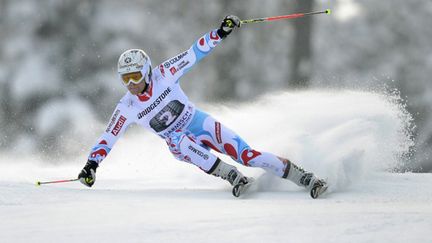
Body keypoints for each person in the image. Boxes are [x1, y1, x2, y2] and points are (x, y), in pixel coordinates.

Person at [78, 15, 327, 198]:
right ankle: (231, 175)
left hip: (198, 122)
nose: (130, 83)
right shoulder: (127, 106)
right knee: (178, 141)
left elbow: (193, 53)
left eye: (134, 76)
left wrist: (219, 33)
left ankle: (304, 177)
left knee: (247, 155)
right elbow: (108, 137)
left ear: (146, 71)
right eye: (125, 78)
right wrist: (91, 165)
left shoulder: (164, 73)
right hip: (180, 142)